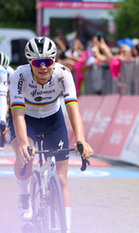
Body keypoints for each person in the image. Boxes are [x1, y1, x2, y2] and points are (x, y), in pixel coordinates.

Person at [9, 37, 94, 233]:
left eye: (48, 61)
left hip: (52, 118)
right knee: (26, 155)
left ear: (54, 60)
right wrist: (23, 144)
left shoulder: (63, 74)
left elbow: (73, 109)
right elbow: (18, 114)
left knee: (62, 179)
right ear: (30, 62)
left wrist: (80, 139)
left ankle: (66, 228)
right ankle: (24, 196)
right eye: (37, 62)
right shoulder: (19, 77)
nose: (43, 67)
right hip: (26, 118)